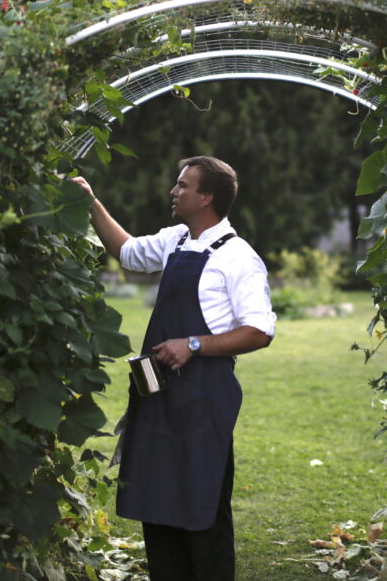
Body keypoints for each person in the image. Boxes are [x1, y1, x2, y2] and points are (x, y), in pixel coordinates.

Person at [74, 156, 276, 580]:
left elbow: (259, 330)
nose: (173, 191)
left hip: (203, 401)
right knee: (158, 501)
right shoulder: (176, 240)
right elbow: (126, 251)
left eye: (183, 185)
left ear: (207, 197)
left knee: (201, 506)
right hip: (156, 398)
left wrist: (195, 345)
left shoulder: (239, 258)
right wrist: (91, 203)